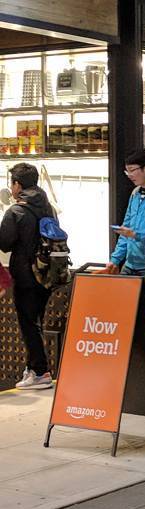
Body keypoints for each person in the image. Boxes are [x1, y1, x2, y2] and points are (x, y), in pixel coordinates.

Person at [0, 163, 60, 389]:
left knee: (28, 324)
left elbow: (4, 244)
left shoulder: (16, 211)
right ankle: (33, 369)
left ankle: (40, 371)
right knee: (37, 322)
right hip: (47, 274)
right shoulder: (48, 207)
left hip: (25, 276)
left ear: (17, 184)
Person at [108, 149, 145, 278]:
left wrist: (135, 234)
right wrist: (115, 260)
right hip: (130, 264)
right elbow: (125, 230)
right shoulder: (135, 193)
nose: (129, 175)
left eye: (132, 170)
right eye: (127, 171)